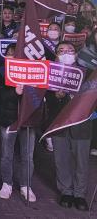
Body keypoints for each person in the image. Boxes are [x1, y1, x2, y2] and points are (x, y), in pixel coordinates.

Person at [47, 42, 91, 211]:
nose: (66, 53)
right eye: (62, 51)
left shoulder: (87, 73)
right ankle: (66, 191)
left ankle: (80, 193)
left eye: (70, 51)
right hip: (59, 122)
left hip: (82, 122)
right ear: (56, 55)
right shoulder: (51, 73)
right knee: (61, 158)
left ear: (76, 54)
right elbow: (44, 100)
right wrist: (56, 96)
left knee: (81, 159)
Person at [0, 44, 38, 202]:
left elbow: (39, 96)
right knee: (7, 154)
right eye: (10, 54)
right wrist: (14, 93)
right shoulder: (0, 72)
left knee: (28, 155)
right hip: (8, 119)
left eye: (17, 54)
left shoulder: (33, 71)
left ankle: (26, 185)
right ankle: (7, 183)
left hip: (28, 120)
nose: (13, 57)